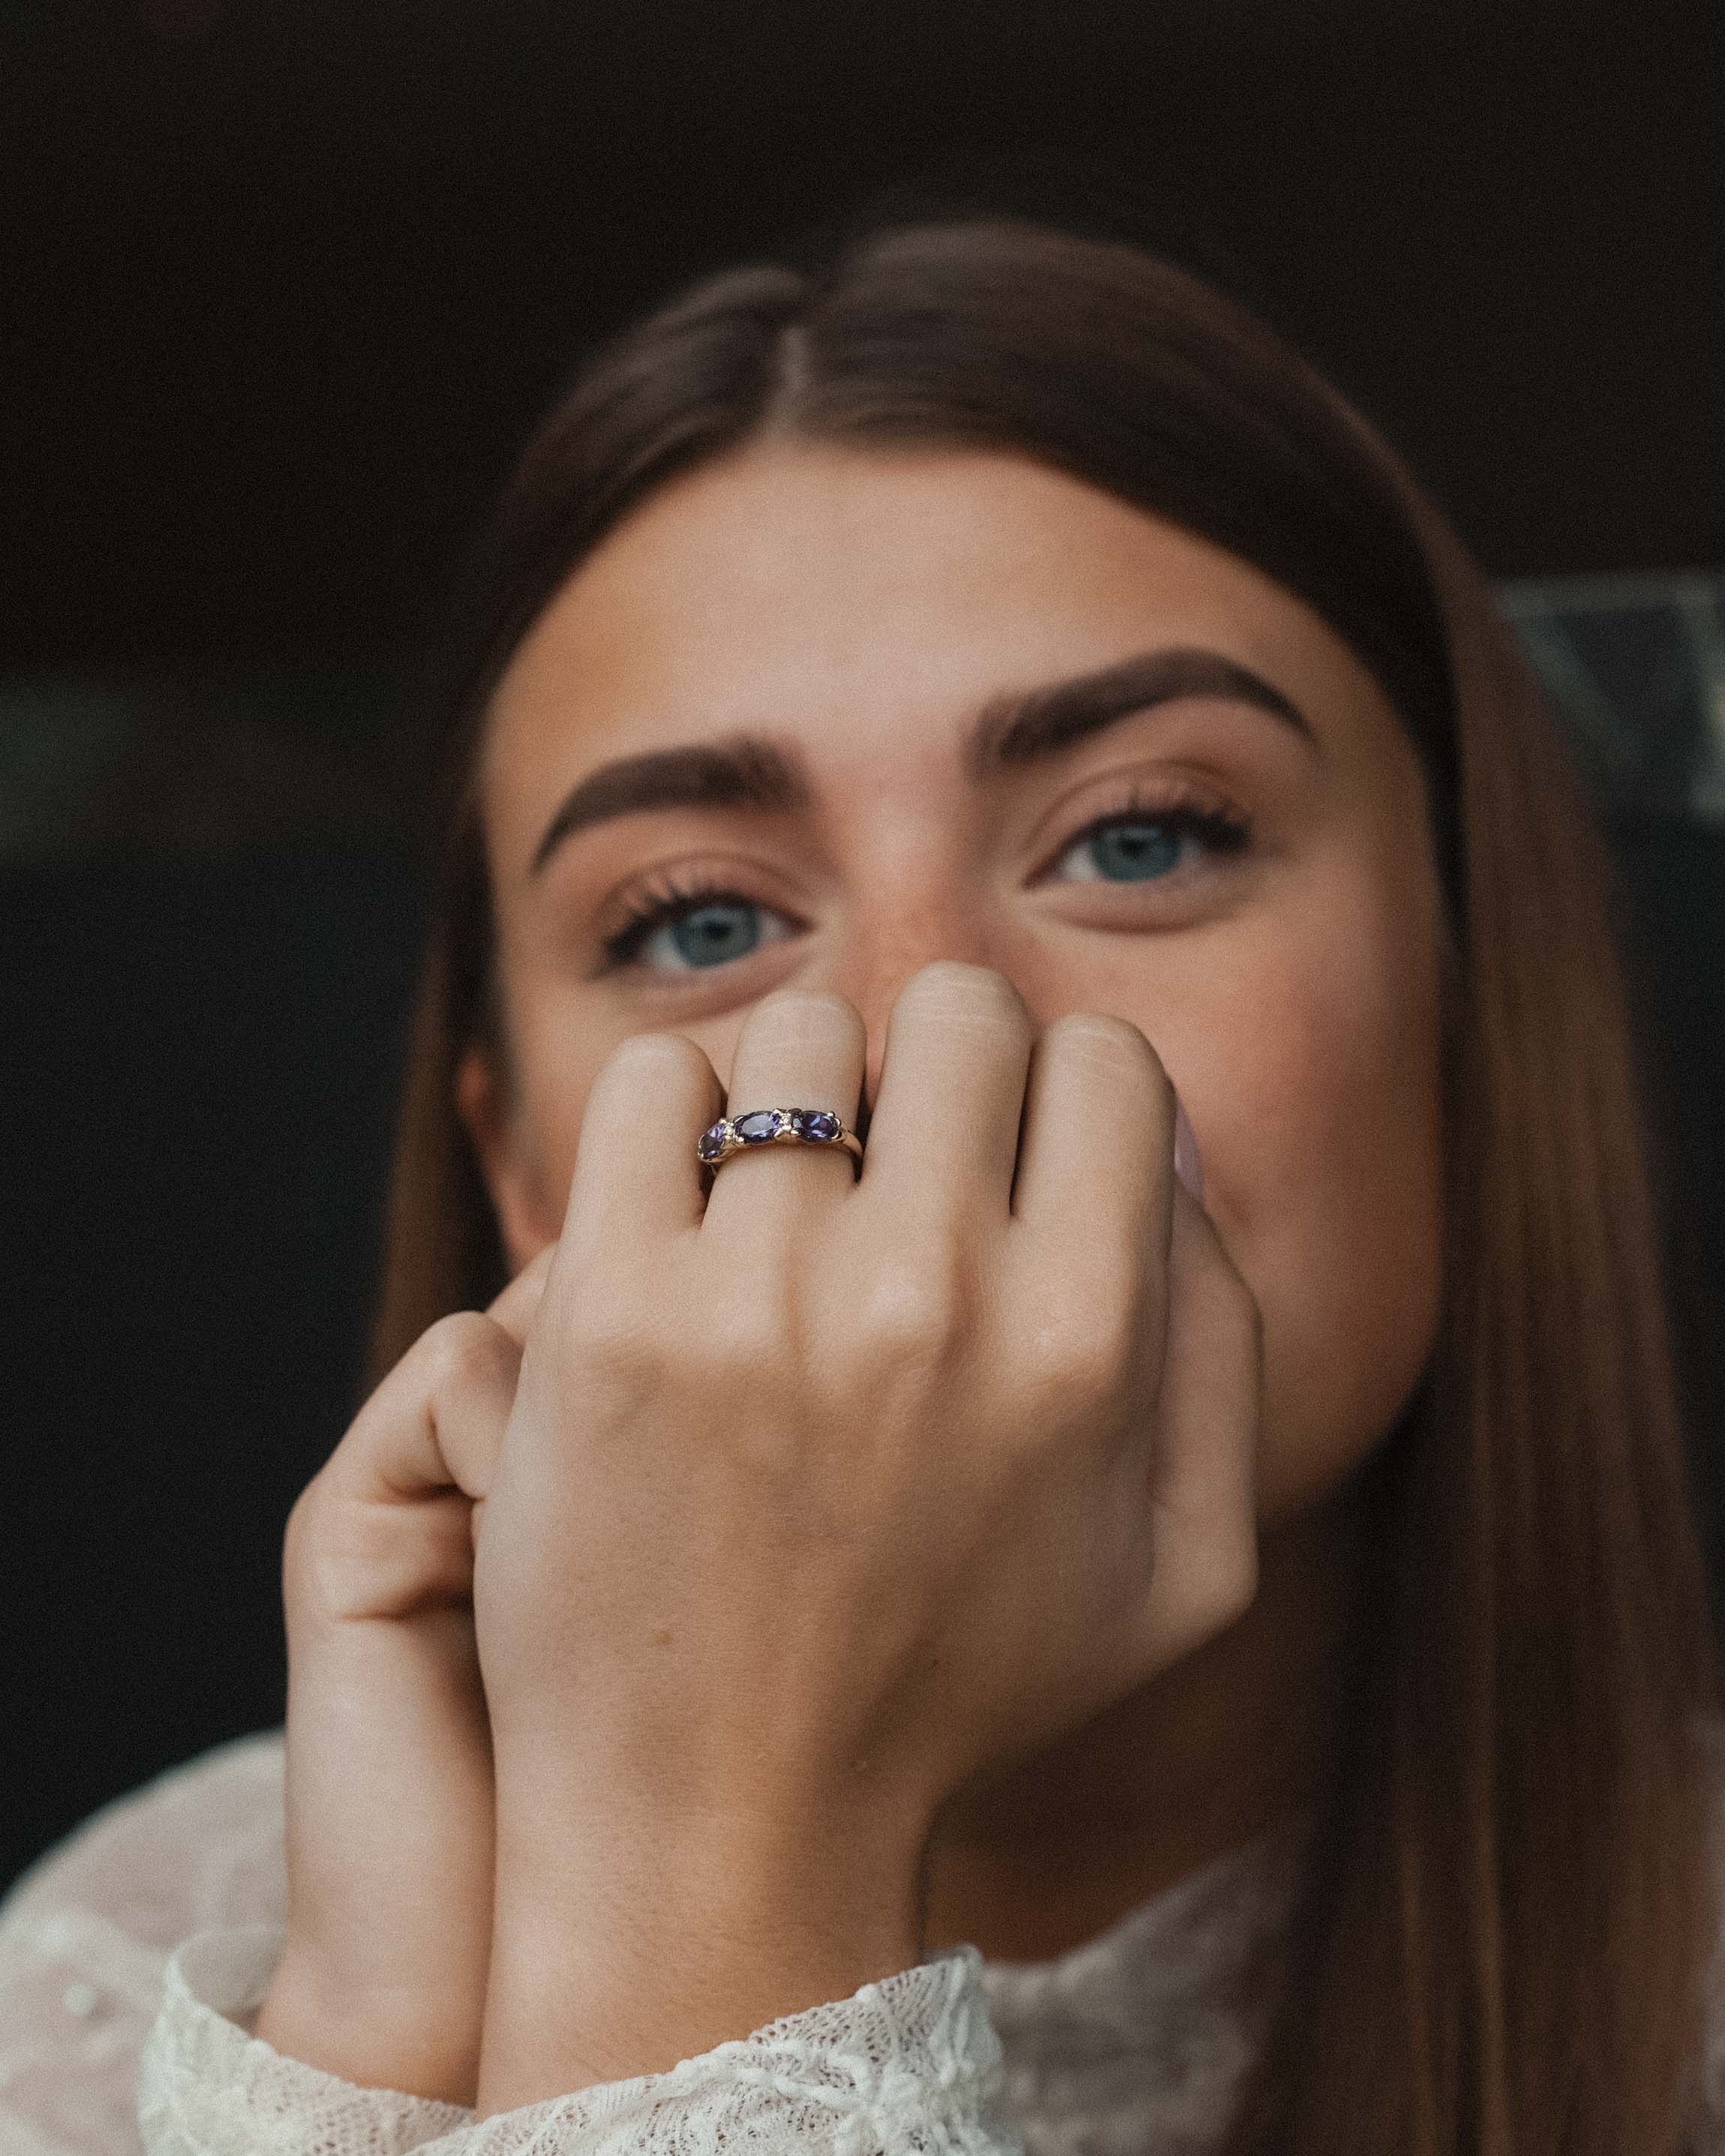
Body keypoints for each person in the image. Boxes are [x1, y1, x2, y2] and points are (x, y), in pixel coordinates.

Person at [3, 216, 1721, 2156]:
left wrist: (719, 1858)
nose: (918, 1046)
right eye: (704, 916)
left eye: (1141, 838)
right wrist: (367, 2059)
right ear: (523, 1165)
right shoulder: (135, 1966)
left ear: (1474, 1013)